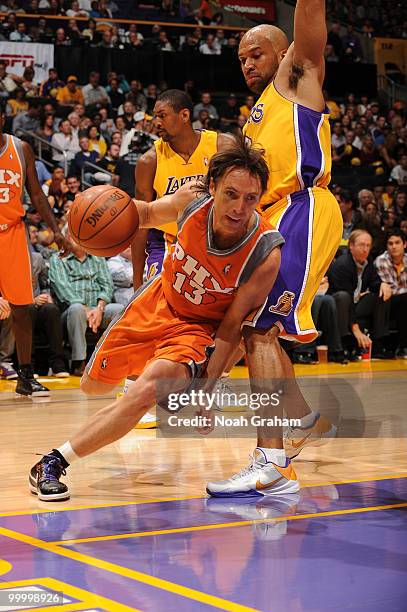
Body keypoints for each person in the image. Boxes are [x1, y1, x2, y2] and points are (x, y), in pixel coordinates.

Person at [28, 141, 292, 501]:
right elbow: (145, 213)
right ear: (211, 187)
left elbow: (232, 329)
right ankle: (148, 398)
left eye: (251, 198)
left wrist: (206, 391)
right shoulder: (191, 201)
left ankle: (52, 462)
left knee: (145, 391)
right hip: (157, 301)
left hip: (195, 331)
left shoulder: (265, 253)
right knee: (93, 387)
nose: (240, 207)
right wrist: (90, 217)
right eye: (231, 194)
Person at [206, 2, 343, 495]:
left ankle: (273, 461)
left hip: (301, 207)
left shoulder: (295, 79)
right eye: (241, 57)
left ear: (283, 53)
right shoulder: (259, 113)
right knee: (259, 329)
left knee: (256, 328)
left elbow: (311, 31)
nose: (247, 63)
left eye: (256, 53)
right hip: (277, 216)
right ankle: (299, 418)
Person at [0, 102, 71, 396]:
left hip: (13, 233)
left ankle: (25, 376)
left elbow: (38, 195)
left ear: (2, 118)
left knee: (21, 308)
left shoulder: (21, 149)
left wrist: (56, 231)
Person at [131, 89, 232, 289]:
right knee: (156, 303)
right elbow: (139, 223)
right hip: (168, 243)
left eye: (162, 116)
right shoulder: (149, 161)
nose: (156, 123)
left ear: (184, 115)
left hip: (214, 243)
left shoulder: (222, 146)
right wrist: (137, 283)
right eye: (154, 117)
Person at [48, 243, 123, 377]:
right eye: (71, 235)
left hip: (98, 308)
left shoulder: (98, 258)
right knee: (77, 309)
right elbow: (63, 289)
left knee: (120, 309)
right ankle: (79, 362)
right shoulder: (58, 258)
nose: (75, 239)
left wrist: (99, 308)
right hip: (71, 310)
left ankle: (113, 360)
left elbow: (107, 285)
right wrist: (87, 310)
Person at [327, 230, 393, 358]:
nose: (365, 249)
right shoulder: (342, 265)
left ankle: (378, 343)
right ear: (351, 246)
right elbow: (347, 297)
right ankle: (343, 345)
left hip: (355, 302)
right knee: (344, 297)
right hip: (338, 305)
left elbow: (374, 282)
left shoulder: (368, 261)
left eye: (368, 246)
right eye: (361, 245)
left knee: (381, 294)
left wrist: (382, 284)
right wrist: (356, 330)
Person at [375, 229, 407, 357]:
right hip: (387, 302)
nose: (394, 246)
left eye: (397, 243)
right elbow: (391, 289)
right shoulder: (381, 261)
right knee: (404, 299)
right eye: (390, 243)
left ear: (404, 244)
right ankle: (403, 346)